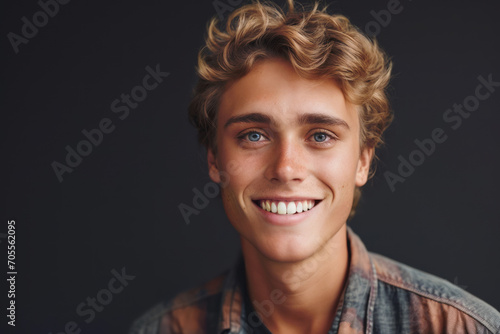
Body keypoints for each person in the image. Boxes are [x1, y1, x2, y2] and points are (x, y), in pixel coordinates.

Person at [129, 1, 500, 333]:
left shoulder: (460, 327)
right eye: (254, 136)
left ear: (363, 161)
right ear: (214, 158)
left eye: (321, 135)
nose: (286, 168)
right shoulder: (163, 330)